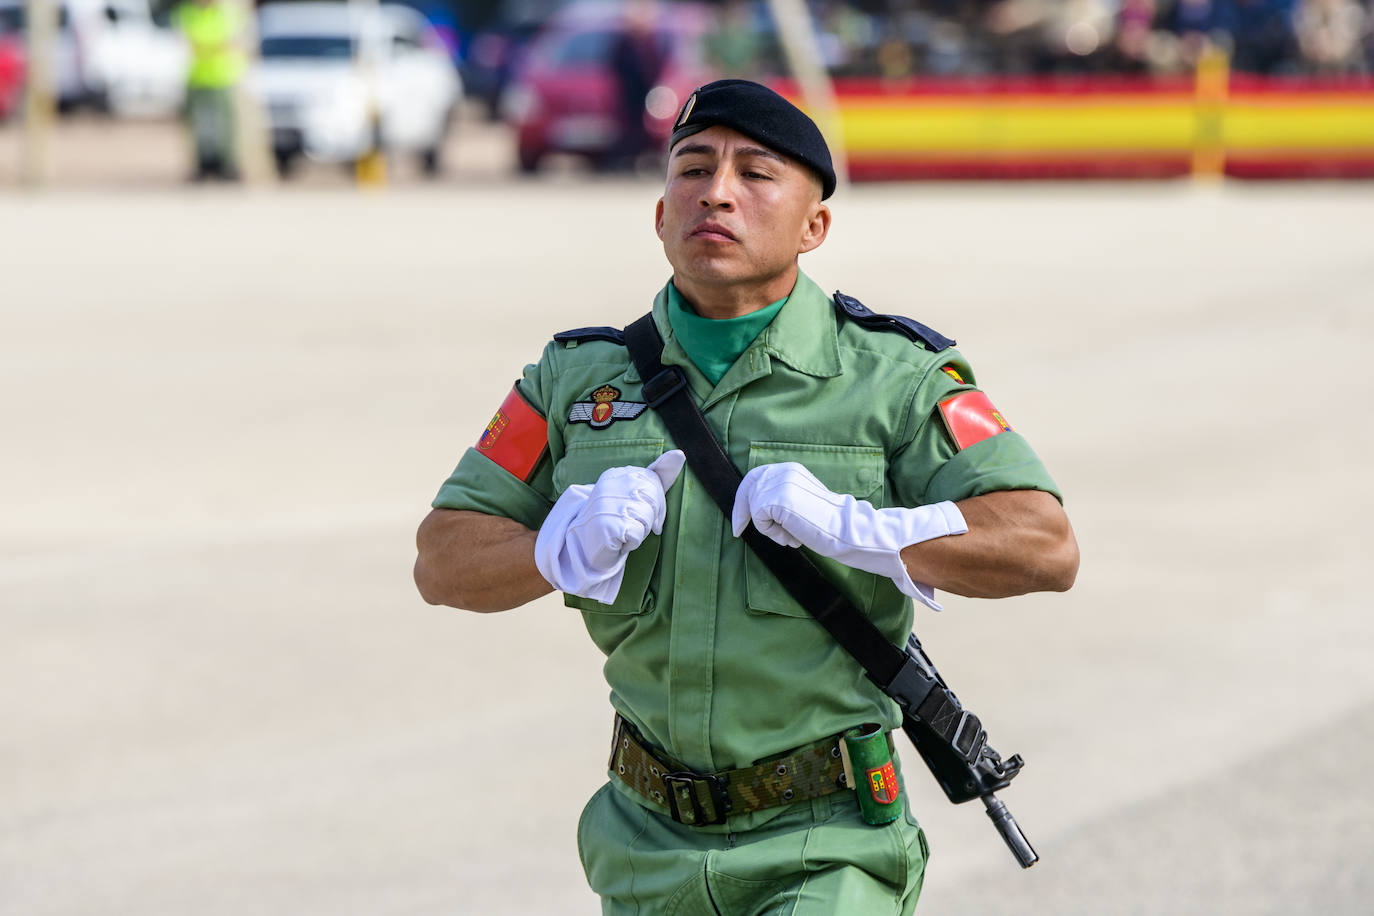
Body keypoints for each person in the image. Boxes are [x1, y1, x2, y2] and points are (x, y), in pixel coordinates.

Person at [414, 79, 1079, 915]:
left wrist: (869, 531)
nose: (717, 192)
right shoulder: (577, 380)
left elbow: (1044, 545)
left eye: (757, 174)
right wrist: (554, 549)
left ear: (815, 226)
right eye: (691, 169)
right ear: (660, 215)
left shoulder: (895, 378)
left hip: (828, 842)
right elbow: (441, 558)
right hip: (642, 846)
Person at [175, 0, 247, 181]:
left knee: (225, 125)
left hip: (222, 77)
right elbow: (192, 41)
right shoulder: (188, 13)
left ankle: (226, 164)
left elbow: (230, 41)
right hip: (198, 77)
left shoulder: (226, 13)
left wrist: (208, 46)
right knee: (200, 124)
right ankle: (204, 164)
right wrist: (212, 46)